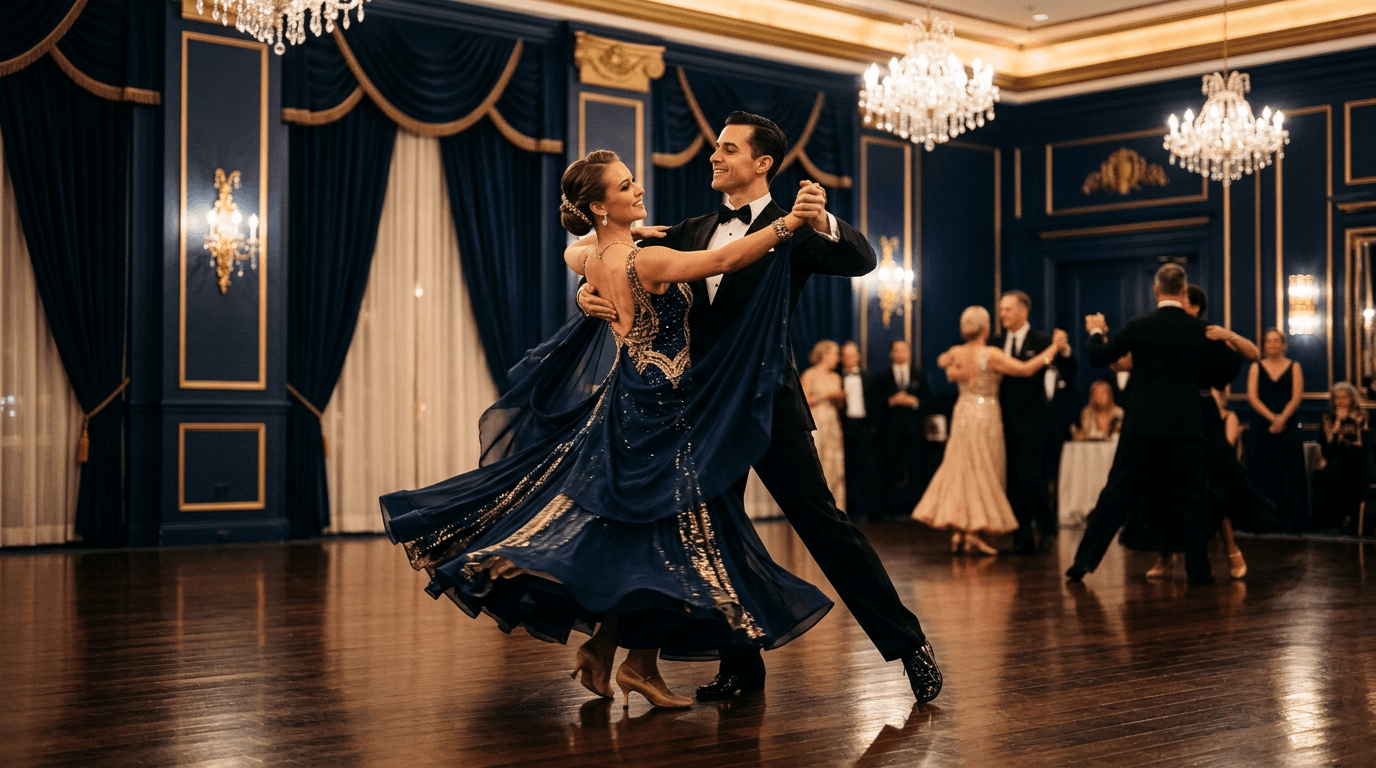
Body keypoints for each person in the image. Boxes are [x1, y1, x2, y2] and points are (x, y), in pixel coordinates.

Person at [381, 150, 834, 710]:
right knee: (671, 535)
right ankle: (636, 665)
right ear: (599, 204)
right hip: (664, 405)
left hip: (631, 398)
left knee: (638, 533)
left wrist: (618, 241)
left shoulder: (596, 255)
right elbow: (726, 260)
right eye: (625, 186)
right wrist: (788, 222)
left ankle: (609, 650)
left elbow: (576, 249)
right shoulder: (645, 262)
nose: (638, 187)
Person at [576, 113, 941, 704]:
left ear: (762, 163)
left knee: (825, 526)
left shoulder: (794, 226)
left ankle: (909, 645)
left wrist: (823, 221)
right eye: (716, 148)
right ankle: (740, 667)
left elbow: (864, 259)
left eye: (728, 149)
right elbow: (601, 254)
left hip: (771, 402)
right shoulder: (693, 229)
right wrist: (586, 290)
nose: (715, 157)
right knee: (714, 533)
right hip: (700, 405)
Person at [1066, 263, 1237, 585]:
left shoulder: (1139, 326)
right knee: (1191, 497)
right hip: (1186, 426)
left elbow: (1099, 357)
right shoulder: (1198, 329)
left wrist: (1096, 331)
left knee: (1116, 495)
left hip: (1141, 425)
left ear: (1156, 291)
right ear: (1184, 291)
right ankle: (1198, 571)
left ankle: (1082, 565)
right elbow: (1228, 370)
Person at [911, 306, 1069, 555]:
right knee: (984, 471)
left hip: (962, 415)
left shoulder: (957, 351)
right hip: (985, 416)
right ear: (985, 328)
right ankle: (972, 532)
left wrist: (951, 367)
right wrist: (1053, 350)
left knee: (962, 470)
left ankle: (961, 532)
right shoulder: (991, 353)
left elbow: (943, 362)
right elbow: (1026, 369)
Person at [990, 290, 1069, 553]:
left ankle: (1046, 527)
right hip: (1003, 423)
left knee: (1030, 478)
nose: (1002, 314)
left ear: (1023, 311)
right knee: (1012, 480)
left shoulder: (1042, 340)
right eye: (1001, 310)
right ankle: (1022, 536)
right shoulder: (995, 342)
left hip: (1034, 424)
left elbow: (1068, 370)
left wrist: (1063, 350)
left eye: (1007, 309)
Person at [1246, 328, 1311, 532]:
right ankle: (1263, 520)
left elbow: (1296, 396)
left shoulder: (1294, 366)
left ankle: (1290, 521)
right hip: (1262, 425)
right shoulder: (1256, 367)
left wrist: (1282, 418)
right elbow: (1253, 397)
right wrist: (1272, 418)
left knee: (1288, 474)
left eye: (1276, 341)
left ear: (1283, 344)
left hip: (1288, 425)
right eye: (1268, 341)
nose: (1272, 344)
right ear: (1264, 345)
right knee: (1262, 472)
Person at [873, 339, 932, 518]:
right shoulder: (883, 376)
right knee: (890, 469)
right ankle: (888, 510)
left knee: (916, 468)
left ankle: (916, 509)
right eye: (897, 351)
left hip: (914, 431)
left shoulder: (919, 374)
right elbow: (876, 403)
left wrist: (913, 402)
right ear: (892, 354)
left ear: (909, 352)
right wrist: (892, 401)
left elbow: (928, 401)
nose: (901, 354)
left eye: (904, 350)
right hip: (891, 432)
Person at [1315, 381, 1367, 532]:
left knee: (1345, 463)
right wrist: (1337, 424)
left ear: (1351, 399)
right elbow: (1328, 446)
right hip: (1334, 457)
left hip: (1355, 459)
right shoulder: (1328, 418)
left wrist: (1347, 420)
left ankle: (1351, 517)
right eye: (1337, 398)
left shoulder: (1360, 416)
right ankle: (1336, 518)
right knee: (1336, 465)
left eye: (1344, 398)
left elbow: (1360, 442)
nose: (1341, 401)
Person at [838, 341, 882, 521]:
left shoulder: (869, 378)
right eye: (845, 355)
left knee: (868, 470)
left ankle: (874, 512)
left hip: (864, 427)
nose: (849, 359)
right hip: (844, 427)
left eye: (852, 355)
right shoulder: (836, 378)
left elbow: (876, 404)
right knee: (846, 470)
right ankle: (851, 511)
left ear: (858, 357)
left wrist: (873, 426)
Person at [801, 340, 846, 510]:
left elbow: (839, 405)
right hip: (817, 422)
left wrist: (839, 398)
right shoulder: (809, 374)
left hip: (833, 423)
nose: (838, 358)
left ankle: (836, 506)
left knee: (834, 463)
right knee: (819, 462)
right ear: (825, 354)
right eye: (835, 354)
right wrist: (826, 396)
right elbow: (803, 402)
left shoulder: (836, 376)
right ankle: (817, 506)